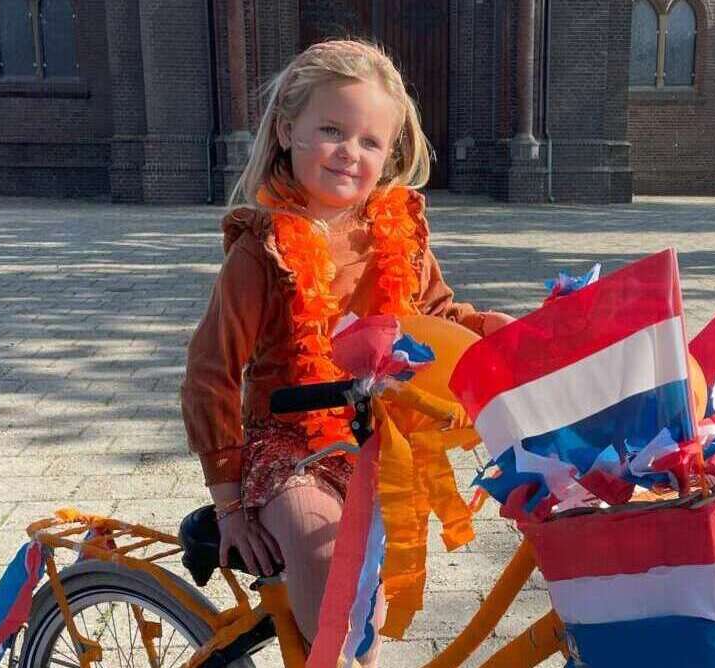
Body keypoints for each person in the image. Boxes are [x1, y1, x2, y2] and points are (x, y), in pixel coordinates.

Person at [180, 39, 512, 664]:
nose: (349, 153)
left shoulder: (396, 236)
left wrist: (506, 332)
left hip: (368, 435)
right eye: (331, 130)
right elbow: (209, 375)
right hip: (286, 447)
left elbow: (436, 315)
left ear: (389, 154)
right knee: (330, 560)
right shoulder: (262, 252)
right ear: (287, 130)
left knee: (369, 605)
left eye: (369, 141)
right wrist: (229, 508)